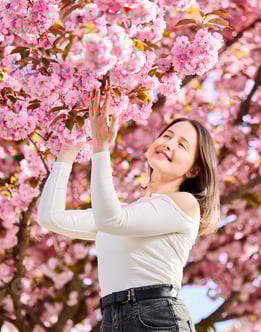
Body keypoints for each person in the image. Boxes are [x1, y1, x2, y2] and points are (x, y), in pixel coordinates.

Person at [38, 84, 220, 331]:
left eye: (182, 145)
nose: (169, 144)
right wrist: (68, 152)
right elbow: (51, 218)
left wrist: (101, 149)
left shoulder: (185, 204)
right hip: (114, 319)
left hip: (156, 317)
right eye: (167, 136)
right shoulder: (130, 213)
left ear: (193, 170)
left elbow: (112, 220)